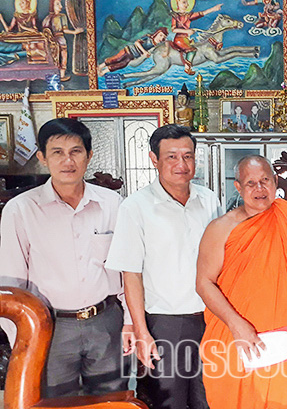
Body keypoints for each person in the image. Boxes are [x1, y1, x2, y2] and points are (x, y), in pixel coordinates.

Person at [0, 118, 131, 398]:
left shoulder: (112, 204)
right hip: (50, 328)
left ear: (89, 156)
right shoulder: (21, 210)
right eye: (57, 152)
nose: (67, 160)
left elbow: (127, 271)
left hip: (106, 323)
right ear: (43, 158)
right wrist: (23, 341)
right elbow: (11, 284)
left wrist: (130, 321)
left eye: (76, 151)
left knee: (111, 399)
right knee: (55, 402)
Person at [197, 155, 287, 409]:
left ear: (275, 182)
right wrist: (237, 325)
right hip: (242, 338)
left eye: (265, 181)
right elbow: (204, 283)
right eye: (251, 183)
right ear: (238, 187)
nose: (259, 189)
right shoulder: (221, 228)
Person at [105, 124, 221, 409]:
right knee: (167, 401)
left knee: (210, 398)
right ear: (154, 159)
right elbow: (130, 275)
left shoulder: (208, 200)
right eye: (171, 157)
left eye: (188, 156)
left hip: (210, 320)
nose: (181, 164)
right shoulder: (136, 207)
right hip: (164, 324)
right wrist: (142, 332)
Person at [170, 0, 223, 76]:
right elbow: (174, 29)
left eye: (187, 2)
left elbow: (201, 13)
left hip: (187, 38)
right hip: (179, 39)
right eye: (183, 2)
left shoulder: (188, 16)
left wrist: (213, 9)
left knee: (201, 43)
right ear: (177, 2)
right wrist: (187, 31)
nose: (186, 5)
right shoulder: (175, 16)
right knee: (192, 50)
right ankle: (187, 67)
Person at [42, 0, 84, 81]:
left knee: (63, 56)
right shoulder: (48, 18)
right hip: (52, 41)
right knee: (55, 57)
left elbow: (64, 30)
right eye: (57, 4)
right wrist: (74, 32)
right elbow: (46, 31)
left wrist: (74, 32)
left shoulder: (62, 17)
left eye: (60, 4)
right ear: (52, 6)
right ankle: (56, 75)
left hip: (60, 40)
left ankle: (62, 75)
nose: (60, 6)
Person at [97, 27, 168, 77]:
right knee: (117, 59)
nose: (161, 38)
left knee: (122, 65)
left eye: (163, 37)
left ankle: (104, 72)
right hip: (129, 50)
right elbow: (137, 43)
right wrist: (144, 52)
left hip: (133, 56)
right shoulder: (148, 38)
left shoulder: (155, 45)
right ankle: (100, 66)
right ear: (156, 33)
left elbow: (167, 44)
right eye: (160, 35)